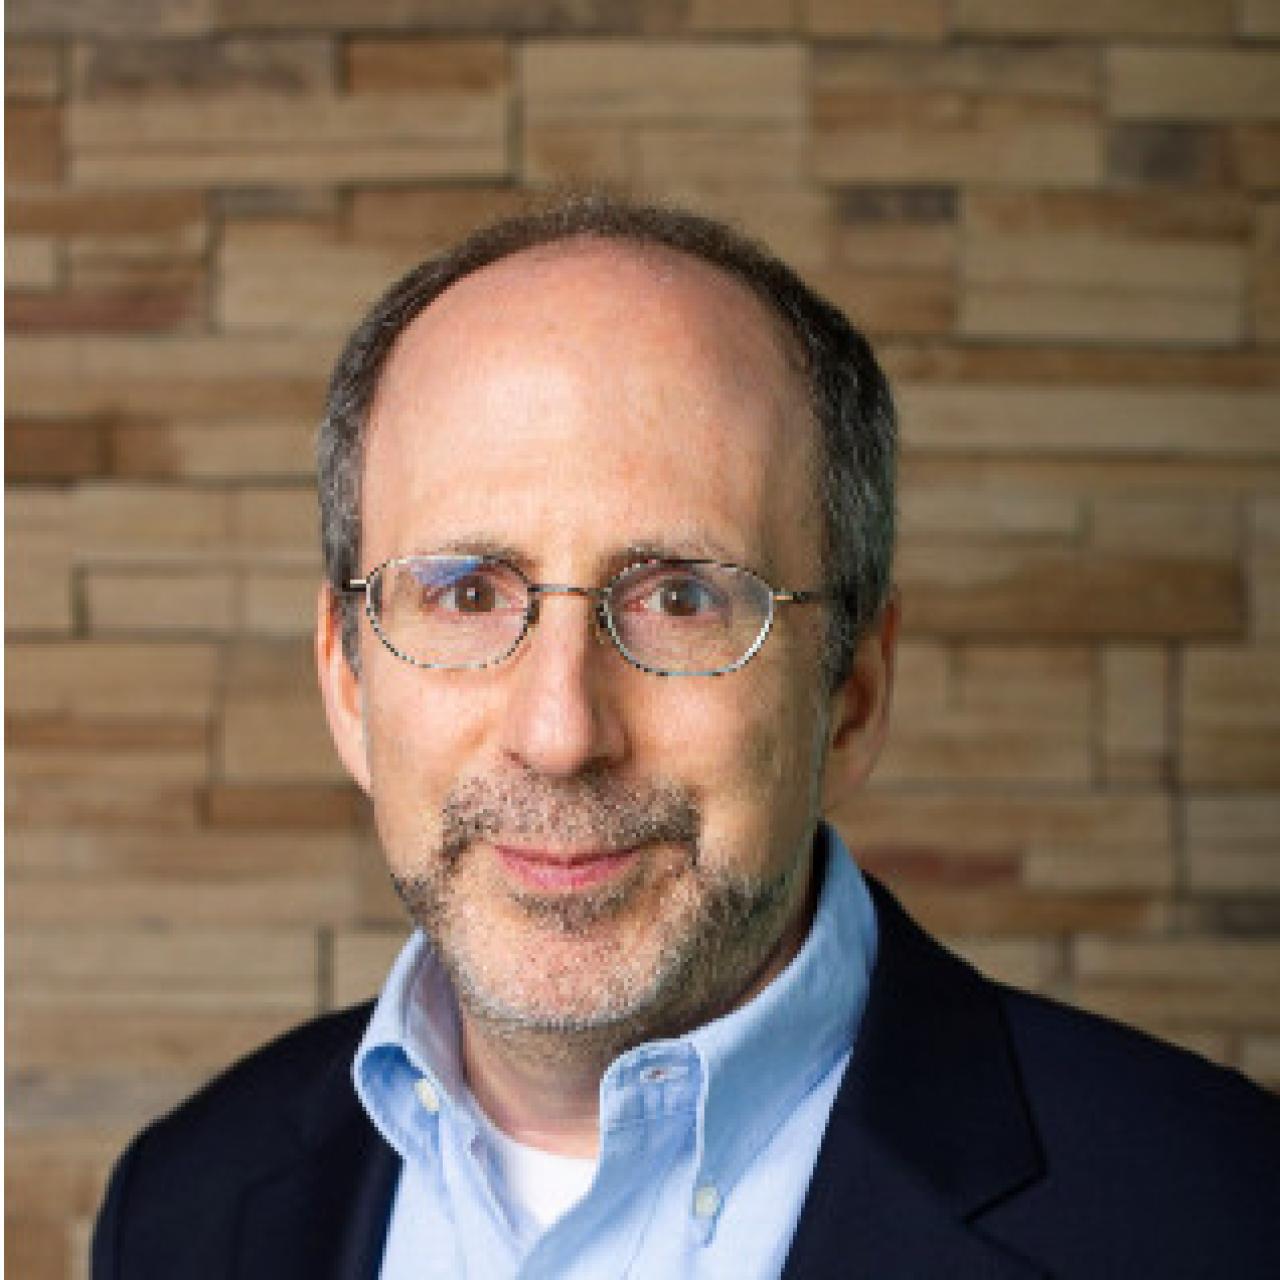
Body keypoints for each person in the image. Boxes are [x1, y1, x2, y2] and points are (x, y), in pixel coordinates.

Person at [92, 196, 1279, 1279]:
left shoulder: (1217, 1217)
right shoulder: (183, 1207)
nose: (559, 731)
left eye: (679, 598)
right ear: (347, 682)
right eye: (466, 593)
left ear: (851, 693)